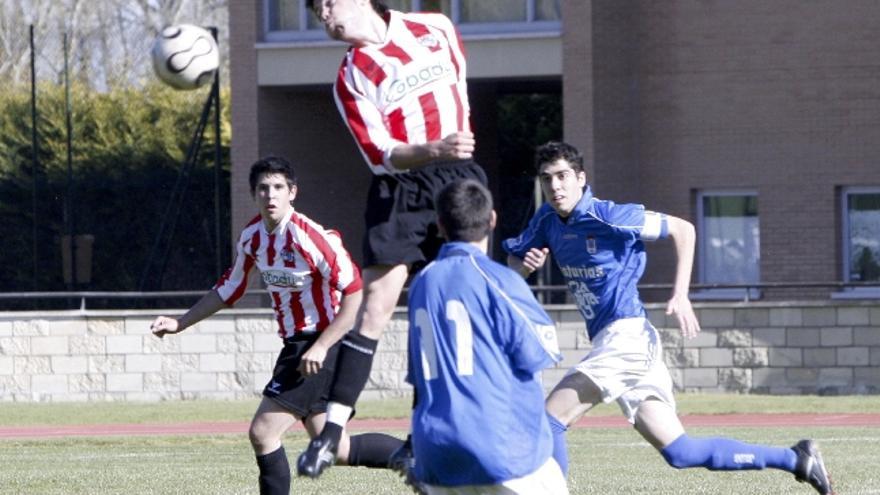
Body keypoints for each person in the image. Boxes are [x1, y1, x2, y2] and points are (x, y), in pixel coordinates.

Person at [503, 141, 835, 495]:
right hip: (616, 343)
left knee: (550, 419)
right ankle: (797, 459)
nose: (555, 187)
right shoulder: (546, 219)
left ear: (581, 178)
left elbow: (684, 230)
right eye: (547, 179)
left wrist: (681, 293)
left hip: (627, 339)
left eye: (563, 176)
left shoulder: (609, 215)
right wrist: (523, 266)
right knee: (680, 451)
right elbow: (513, 267)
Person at [297, 0, 488, 478]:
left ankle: (426, 436)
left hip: (458, 178)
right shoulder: (350, 77)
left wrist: (452, 151)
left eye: (327, 2)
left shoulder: (435, 27)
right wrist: (431, 148)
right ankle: (330, 434)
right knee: (375, 306)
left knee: (458, 302)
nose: (322, 13)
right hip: (402, 186)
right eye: (314, 8)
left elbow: (459, 90)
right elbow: (379, 155)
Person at [150, 156, 404, 495]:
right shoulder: (253, 237)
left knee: (263, 432)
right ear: (254, 194)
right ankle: (416, 456)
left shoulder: (311, 237)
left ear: (292, 192)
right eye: (263, 188)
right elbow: (229, 289)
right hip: (297, 347)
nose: (271, 195)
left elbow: (355, 293)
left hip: (320, 347)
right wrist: (180, 322)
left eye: (278, 188)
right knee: (338, 448)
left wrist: (322, 345)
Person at [405, 178, 568, 495]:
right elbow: (538, 352)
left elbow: (418, 375)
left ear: (440, 225)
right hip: (503, 450)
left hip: (436, 454)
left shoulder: (422, 283)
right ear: (492, 220)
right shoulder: (501, 280)